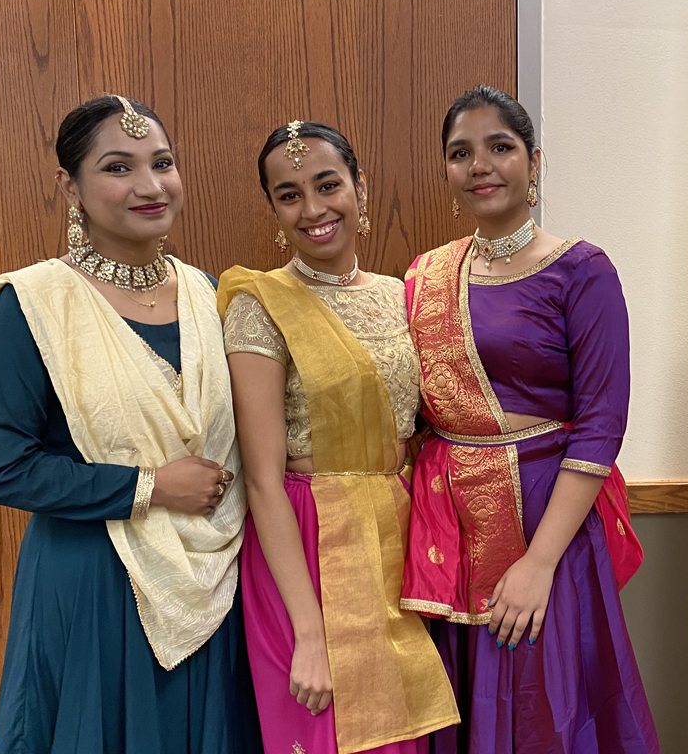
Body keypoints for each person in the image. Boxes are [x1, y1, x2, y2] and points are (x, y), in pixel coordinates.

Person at [0, 95, 260, 753]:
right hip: (95, 583)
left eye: (162, 163)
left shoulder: (209, 295)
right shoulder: (34, 304)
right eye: (118, 168)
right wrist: (150, 486)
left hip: (213, 584)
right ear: (69, 187)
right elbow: (0, 465)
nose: (150, 186)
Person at [401, 86, 660, 753]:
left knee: (549, 700)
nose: (480, 165)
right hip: (453, 526)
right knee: (461, 698)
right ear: (447, 172)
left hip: (549, 522)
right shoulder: (427, 276)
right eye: (461, 153)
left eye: (499, 147)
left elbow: (602, 425)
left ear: (533, 161)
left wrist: (539, 561)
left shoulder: (580, 271)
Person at [219, 120, 458, 754]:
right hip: (305, 540)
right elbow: (263, 477)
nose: (314, 208)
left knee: (402, 733)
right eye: (289, 194)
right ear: (273, 210)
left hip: (398, 539)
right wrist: (310, 633)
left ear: (361, 188)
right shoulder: (261, 304)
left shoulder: (401, 296)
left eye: (328, 184)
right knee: (324, 730)